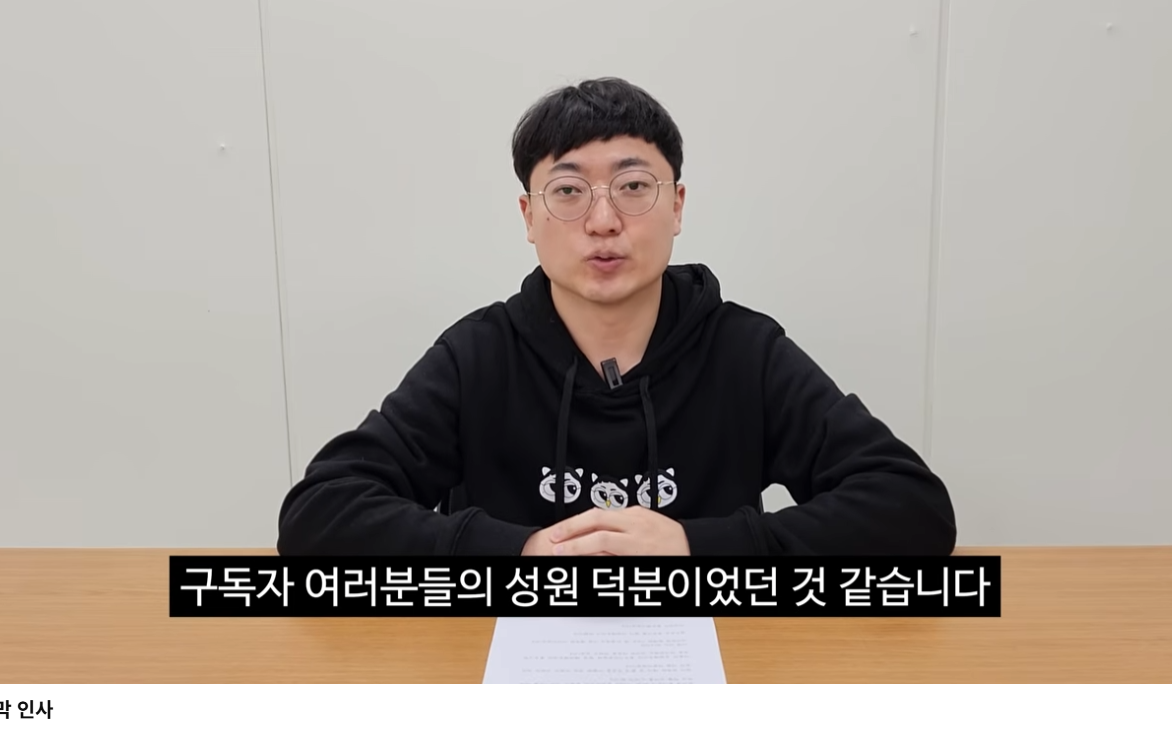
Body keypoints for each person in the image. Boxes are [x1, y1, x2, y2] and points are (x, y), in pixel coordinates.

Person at [277, 77, 956, 557]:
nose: (604, 221)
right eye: (569, 191)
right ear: (529, 217)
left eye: (633, 186)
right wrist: (517, 552)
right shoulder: (478, 356)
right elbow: (319, 514)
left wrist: (697, 547)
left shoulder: (743, 352)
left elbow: (911, 507)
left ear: (677, 206)